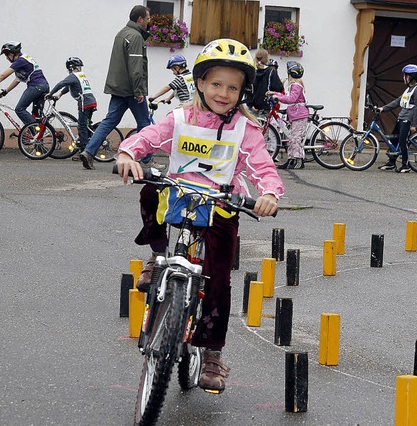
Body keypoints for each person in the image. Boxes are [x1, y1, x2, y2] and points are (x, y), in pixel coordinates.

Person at [115, 38, 284, 393]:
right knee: (150, 189)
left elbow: (262, 166)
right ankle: (158, 254)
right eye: (216, 84)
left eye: (233, 87)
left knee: (218, 281)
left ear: (243, 92)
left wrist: (268, 193)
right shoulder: (180, 118)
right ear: (201, 84)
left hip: (220, 205)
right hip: (177, 196)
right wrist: (128, 154)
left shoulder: (245, 129)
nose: (224, 93)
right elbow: (146, 139)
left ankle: (212, 353)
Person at [79, 5, 151, 170]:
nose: (148, 23)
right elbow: (136, 67)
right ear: (140, 19)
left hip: (118, 88)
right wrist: (139, 91)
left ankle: (89, 151)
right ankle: (147, 160)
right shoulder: (135, 37)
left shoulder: (121, 33)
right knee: (144, 123)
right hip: (132, 90)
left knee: (109, 121)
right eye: (147, 19)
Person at [377, 64, 417, 173]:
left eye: (405, 76)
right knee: (394, 139)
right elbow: (398, 101)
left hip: (408, 119)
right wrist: (383, 109)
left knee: (402, 141)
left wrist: (414, 124)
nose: (403, 78)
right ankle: (391, 162)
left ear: (411, 77)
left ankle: (406, 165)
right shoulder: (408, 89)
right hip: (401, 117)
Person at [0, 41, 50, 125]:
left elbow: (3, 76)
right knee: (36, 115)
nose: (6, 58)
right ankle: (41, 132)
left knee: (19, 109)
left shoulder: (20, 61)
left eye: (7, 55)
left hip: (36, 86)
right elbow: (17, 79)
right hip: (43, 86)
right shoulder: (24, 59)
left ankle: (37, 129)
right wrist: (5, 91)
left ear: (11, 54)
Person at [47, 57, 98, 160]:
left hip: (84, 104)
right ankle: (88, 145)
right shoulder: (81, 76)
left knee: (82, 127)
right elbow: (69, 86)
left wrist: (50, 93)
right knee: (86, 126)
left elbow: (61, 84)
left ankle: (84, 153)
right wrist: (60, 94)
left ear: (70, 68)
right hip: (91, 102)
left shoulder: (74, 76)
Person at [266, 61, 308, 169]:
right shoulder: (294, 85)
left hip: (299, 115)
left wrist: (277, 97)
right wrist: (274, 94)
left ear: (290, 74)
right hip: (295, 114)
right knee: (292, 138)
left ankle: (298, 160)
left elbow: (291, 99)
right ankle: (291, 159)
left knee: (295, 138)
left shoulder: (296, 85)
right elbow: (287, 96)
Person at [247, 48, 284, 114]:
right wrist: (281, 83)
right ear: (266, 59)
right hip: (267, 106)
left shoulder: (251, 72)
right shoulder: (271, 71)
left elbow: (248, 89)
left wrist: (250, 105)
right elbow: (278, 88)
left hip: (253, 107)